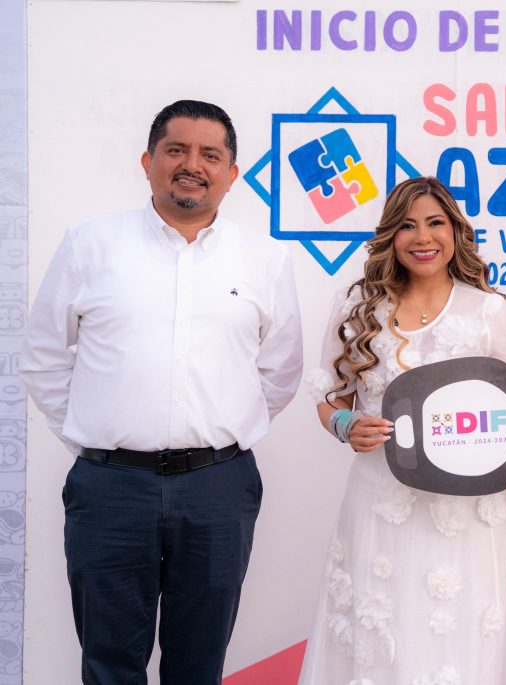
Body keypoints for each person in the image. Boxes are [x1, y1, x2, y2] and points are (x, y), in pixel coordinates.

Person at [20, 100, 303, 683]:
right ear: (148, 161)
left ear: (232, 173)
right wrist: (96, 434)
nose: (192, 165)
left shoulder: (265, 260)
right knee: (109, 663)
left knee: (199, 664)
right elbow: (43, 356)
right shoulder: (90, 245)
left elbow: (281, 371)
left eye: (210, 155)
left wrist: (222, 429)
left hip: (219, 488)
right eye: (176, 150)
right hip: (110, 488)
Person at [299, 176, 506, 685]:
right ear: (390, 235)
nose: (422, 237)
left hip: (469, 511)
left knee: (465, 636)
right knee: (384, 633)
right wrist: (346, 425)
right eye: (407, 225)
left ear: (455, 231)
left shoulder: (488, 311)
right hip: (381, 502)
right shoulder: (357, 307)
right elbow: (331, 400)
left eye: (435, 223)